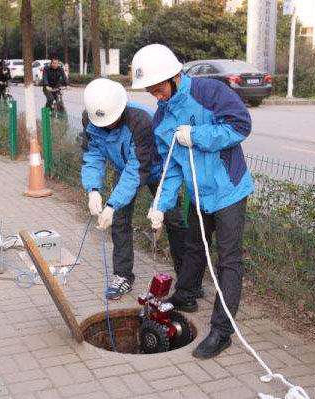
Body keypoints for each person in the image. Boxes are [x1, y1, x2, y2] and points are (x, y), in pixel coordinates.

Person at [132, 44, 253, 359]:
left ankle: (221, 332)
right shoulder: (161, 119)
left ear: (174, 76)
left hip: (228, 189)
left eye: (158, 89)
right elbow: (171, 169)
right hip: (198, 193)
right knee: (194, 247)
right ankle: (185, 295)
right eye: (150, 91)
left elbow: (241, 126)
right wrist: (160, 204)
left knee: (228, 261)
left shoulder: (209, 92)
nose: (156, 96)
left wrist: (197, 135)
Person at [81, 78, 187, 300]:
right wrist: (92, 189)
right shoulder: (92, 118)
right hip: (125, 167)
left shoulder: (140, 120)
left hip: (156, 169)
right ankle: (123, 276)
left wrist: (112, 203)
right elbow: (93, 155)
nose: (107, 126)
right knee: (119, 220)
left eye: (111, 122)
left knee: (174, 220)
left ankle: (186, 280)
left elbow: (137, 168)